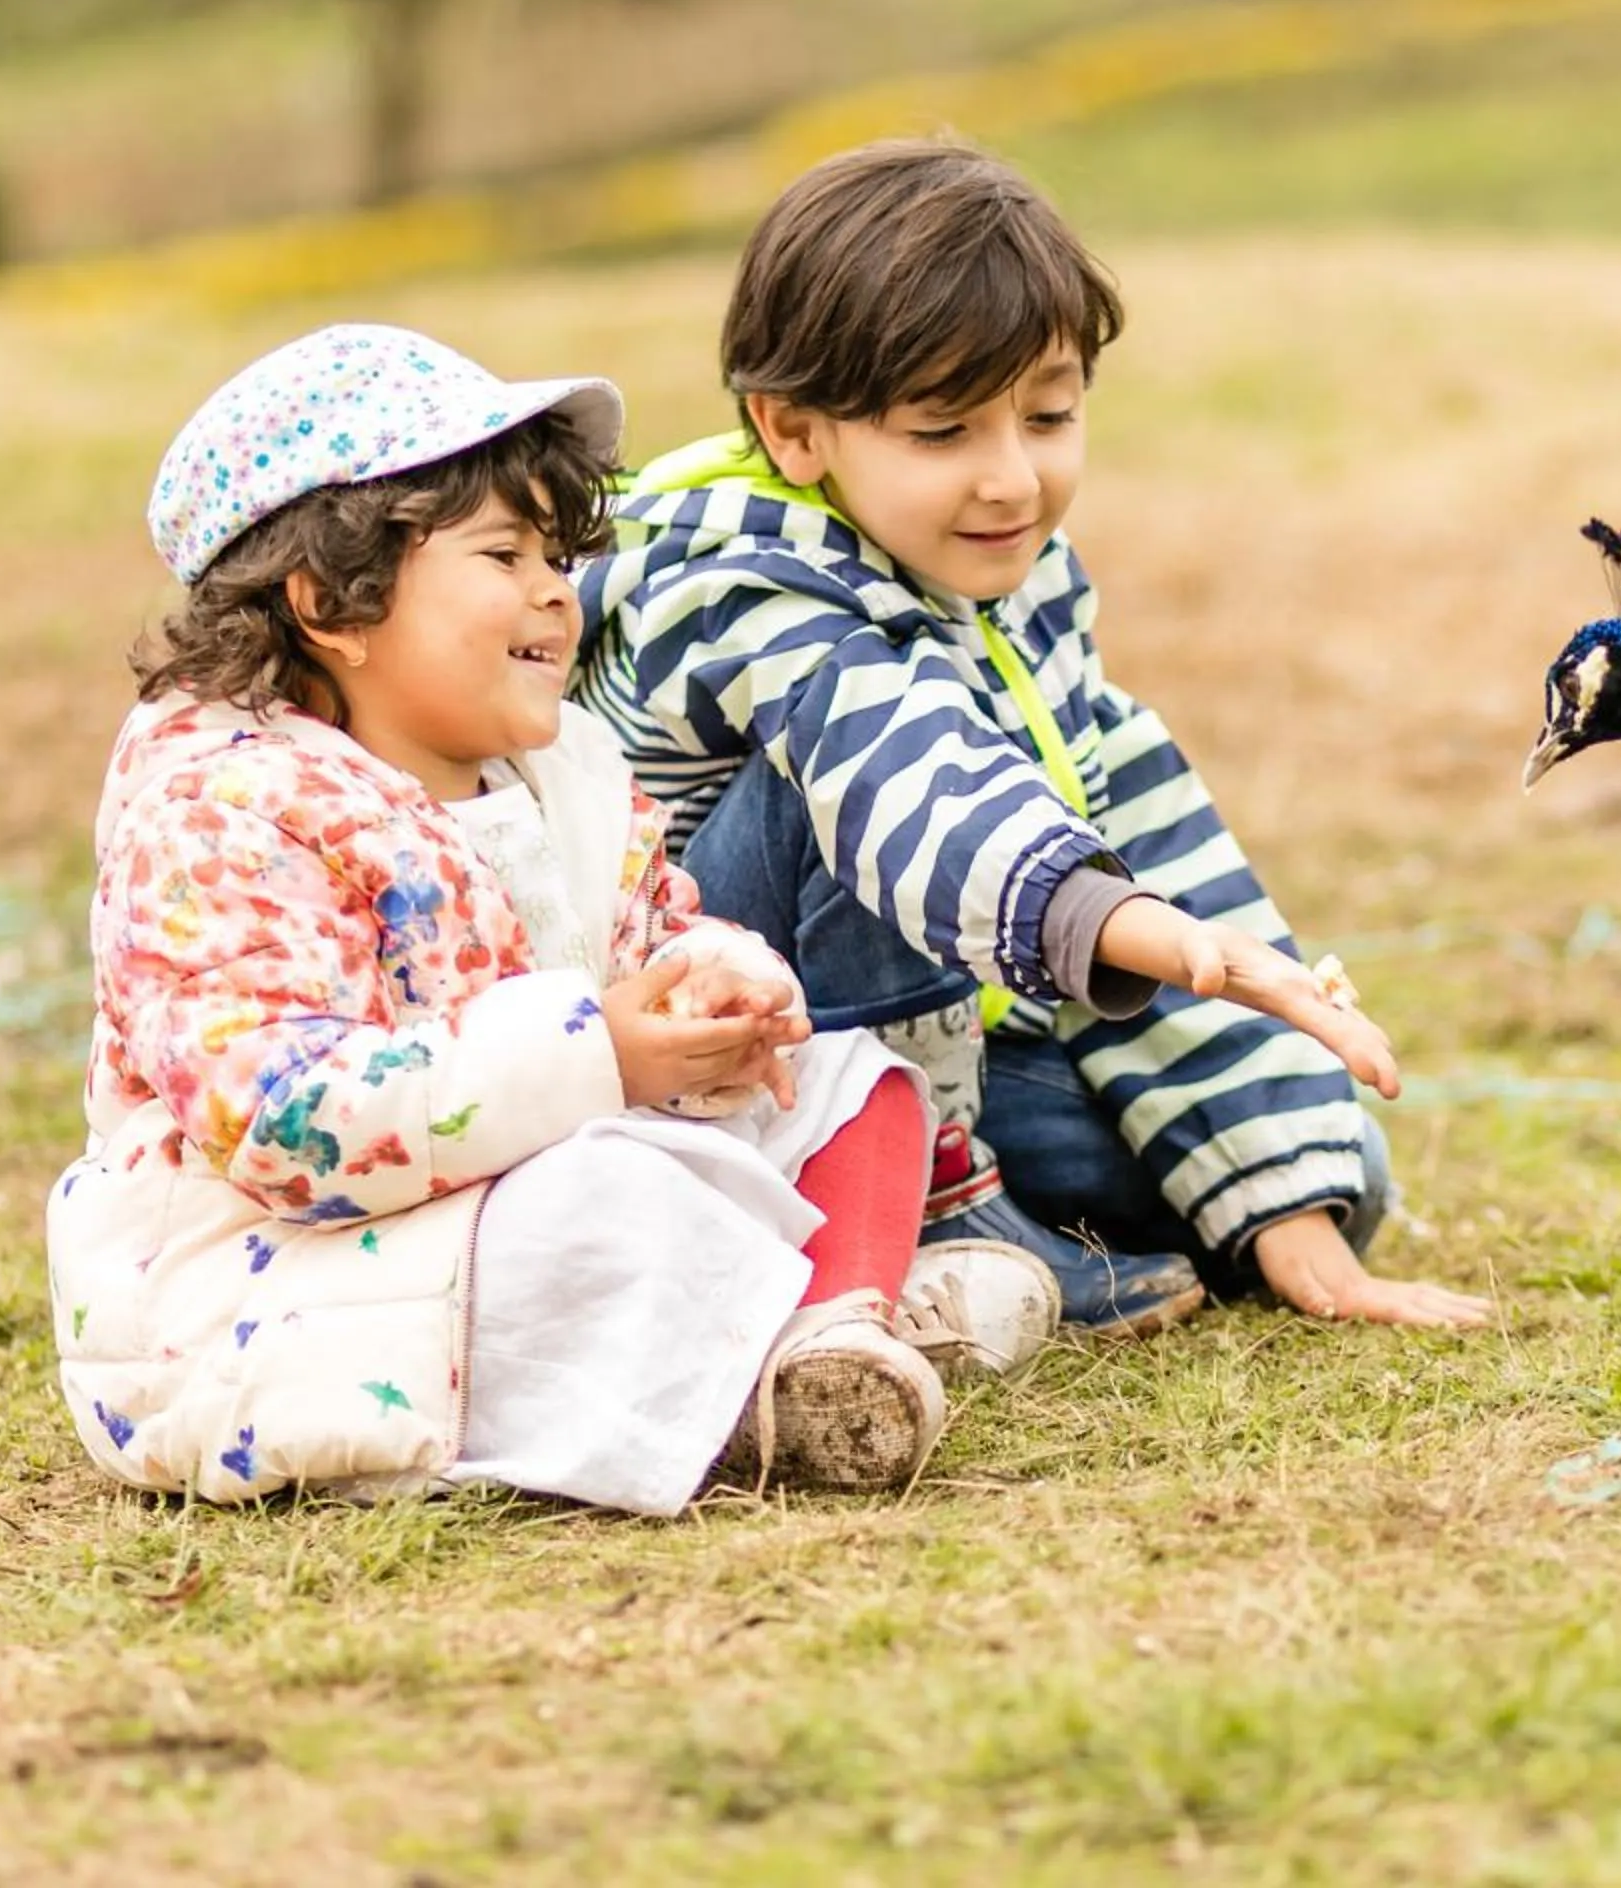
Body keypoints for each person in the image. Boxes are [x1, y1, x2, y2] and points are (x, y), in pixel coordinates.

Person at [51, 322, 1059, 1513]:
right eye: (504, 553)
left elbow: (645, 928)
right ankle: (764, 1378)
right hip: (288, 1287)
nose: (554, 589)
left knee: (853, 1082)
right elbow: (286, 1127)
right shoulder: (223, 814)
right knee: (612, 1199)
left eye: (556, 552)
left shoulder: (557, 772)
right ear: (331, 600)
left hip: (541, 1167)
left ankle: (838, 1330)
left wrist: (709, 981)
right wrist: (599, 1056)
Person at [574, 138, 1489, 1334]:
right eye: (943, 430)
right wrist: (1127, 924)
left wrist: (1277, 1184)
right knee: (840, 791)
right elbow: (918, 783)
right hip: (715, 1063)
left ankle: (977, 1190)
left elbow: (1143, 825)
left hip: (953, 1036)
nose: (1011, 480)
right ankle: (927, 1220)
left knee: (1311, 1172)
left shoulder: (1017, 583)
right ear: (794, 430)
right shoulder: (739, 586)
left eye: (1047, 416)